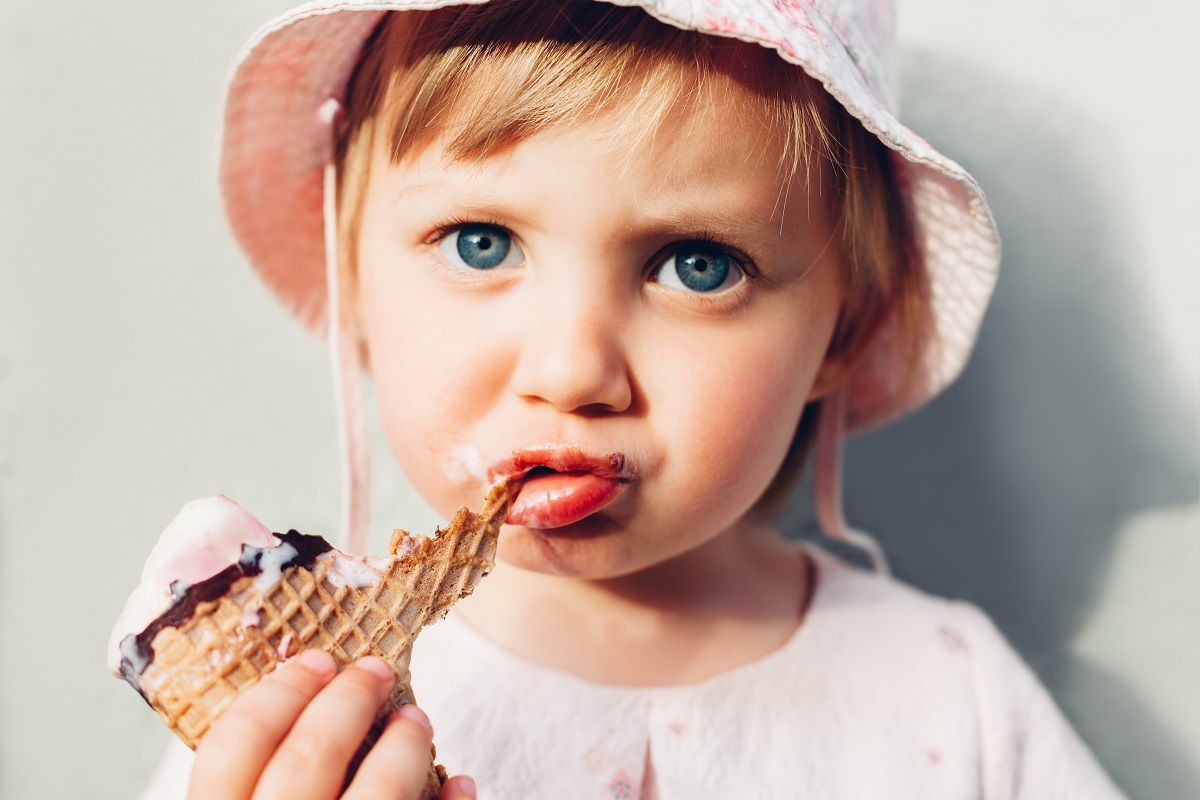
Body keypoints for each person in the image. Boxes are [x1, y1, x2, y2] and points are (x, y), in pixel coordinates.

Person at [141, 0, 1125, 797]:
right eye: (481, 241)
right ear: (354, 283)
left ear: (844, 327)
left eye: (697, 264)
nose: (572, 370)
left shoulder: (955, 700)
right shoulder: (293, 731)